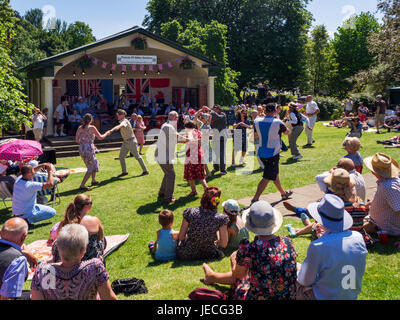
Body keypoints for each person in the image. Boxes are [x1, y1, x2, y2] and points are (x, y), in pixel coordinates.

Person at [202, 200, 298, 300]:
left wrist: (234, 260)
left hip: (260, 297)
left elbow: (239, 275)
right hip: (288, 296)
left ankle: (212, 276)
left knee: (242, 281)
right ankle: (212, 276)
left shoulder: (249, 248)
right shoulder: (287, 242)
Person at [297, 194, 368, 300]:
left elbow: (305, 280)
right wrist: (323, 238)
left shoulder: (318, 246)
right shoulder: (358, 237)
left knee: (293, 270)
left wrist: (297, 269)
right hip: (351, 296)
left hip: (324, 297)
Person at [285, 168, 374, 248]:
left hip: (340, 240)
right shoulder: (359, 201)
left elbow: (326, 223)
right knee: (319, 223)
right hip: (360, 239)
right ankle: (301, 227)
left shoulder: (334, 204)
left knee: (318, 224)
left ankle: (297, 231)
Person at [31, 224, 117, 300]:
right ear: (83, 250)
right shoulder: (94, 267)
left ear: (58, 248)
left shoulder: (43, 271)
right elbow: (109, 297)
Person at [251, 103, 293, 203]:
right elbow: (287, 132)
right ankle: (255, 198)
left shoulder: (257, 121)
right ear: (275, 111)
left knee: (274, 174)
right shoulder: (277, 122)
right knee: (267, 177)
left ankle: (283, 194)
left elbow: (255, 134)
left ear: (265, 111)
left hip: (261, 152)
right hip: (272, 153)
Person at [50, 194, 106, 263]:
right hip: (89, 256)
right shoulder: (94, 220)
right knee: (102, 238)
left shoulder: (66, 221)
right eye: (91, 203)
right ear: (86, 206)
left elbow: (58, 239)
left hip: (68, 256)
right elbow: (100, 237)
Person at [176, 187, 229, 260]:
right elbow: (224, 244)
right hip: (210, 254)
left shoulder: (190, 213)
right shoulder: (221, 218)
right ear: (217, 201)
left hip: (188, 254)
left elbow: (181, 237)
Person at [363, 153, 400, 236]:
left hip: (385, 227)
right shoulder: (387, 181)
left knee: (352, 228)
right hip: (378, 220)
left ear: (373, 172)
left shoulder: (388, 187)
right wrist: (371, 203)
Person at [155, 111, 185, 204]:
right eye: (177, 117)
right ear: (174, 118)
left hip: (161, 154)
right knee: (171, 175)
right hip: (164, 155)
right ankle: (168, 197)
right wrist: (189, 140)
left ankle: (162, 191)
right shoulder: (169, 126)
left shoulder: (166, 125)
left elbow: (176, 136)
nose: (178, 119)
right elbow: (177, 138)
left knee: (167, 173)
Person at [75, 114, 111, 191]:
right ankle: (82, 185)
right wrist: (107, 133)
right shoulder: (92, 128)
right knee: (90, 168)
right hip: (89, 149)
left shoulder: (79, 128)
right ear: (91, 120)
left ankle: (93, 180)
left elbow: (76, 140)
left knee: (94, 163)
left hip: (82, 149)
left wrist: (84, 142)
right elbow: (101, 137)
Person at [109, 109, 149, 178]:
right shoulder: (123, 121)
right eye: (117, 115)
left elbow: (120, 126)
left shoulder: (124, 121)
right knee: (121, 157)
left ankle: (145, 171)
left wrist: (112, 130)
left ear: (123, 115)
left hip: (131, 141)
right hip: (126, 142)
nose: (117, 116)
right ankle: (124, 172)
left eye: (118, 115)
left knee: (137, 157)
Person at [0, 218, 31, 300]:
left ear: (0, 233)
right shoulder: (17, 260)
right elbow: (7, 297)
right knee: (36, 294)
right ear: (24, 236)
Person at [183, 121, 208, 197]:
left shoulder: (190, 133)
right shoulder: (198, 132)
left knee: (190, 175)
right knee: (200, 175)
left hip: (192, 156)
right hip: (199, 154)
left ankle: (194, 191)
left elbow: (190, 141)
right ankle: (207, 190)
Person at [209, 105, 228, 175]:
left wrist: (212, 112)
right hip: (215, 136)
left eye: (215, 109)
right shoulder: (213, 116)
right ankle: (216, 167)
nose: (214, 111)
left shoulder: (223, 115)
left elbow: (218, 117)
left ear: (219, 109)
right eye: (213, 109)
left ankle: (223, 169)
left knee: (221, 153)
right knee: (215, 152)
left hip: (222, 137)